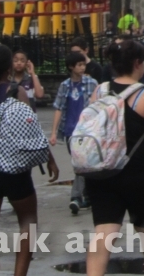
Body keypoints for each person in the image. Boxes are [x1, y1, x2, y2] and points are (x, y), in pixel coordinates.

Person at [0, 44, 58, 276]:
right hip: (14, 168)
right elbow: (30, 129)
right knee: (28, 222)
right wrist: (49, 158)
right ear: (8, 66)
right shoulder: (15, 91)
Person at [84, 40, 144, 276]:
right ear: (137, 63)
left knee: (103, 231)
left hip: (102, 173)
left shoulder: (99, 91)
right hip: (138, 175)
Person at [50, 51, 99, 215]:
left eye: (84, 64)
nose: (82, 67)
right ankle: (89, 195)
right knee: (81, 164)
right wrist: (53, 132)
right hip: (71, 131)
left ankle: (77, 197)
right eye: (79, 65)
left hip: (87, 131)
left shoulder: (92, 83)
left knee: (82, 164)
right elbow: (59, 108)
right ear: (71, 67)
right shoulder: (65, 85)